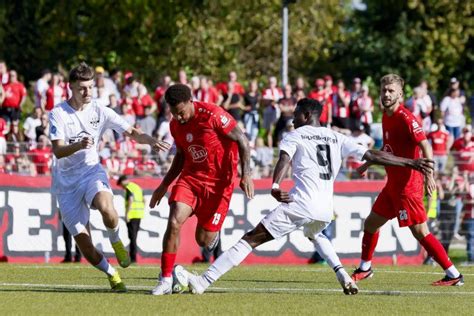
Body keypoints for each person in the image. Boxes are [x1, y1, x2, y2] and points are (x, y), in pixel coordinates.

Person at [183, 98, 434, 295]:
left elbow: (284, 160)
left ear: (306, 116)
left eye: (295, 116)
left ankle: (203, 281)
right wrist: (410, 162)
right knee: (316, 234)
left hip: (300, 203)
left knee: (251, 239)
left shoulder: (295, 135)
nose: (292, 120)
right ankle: (344, 277)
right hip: (325, 208)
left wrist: (275, 185)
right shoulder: (337, 137)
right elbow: (373, 155)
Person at [49, 62, 170, 292]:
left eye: (90, 87)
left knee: (107, 209)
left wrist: (150, 140)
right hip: (66, 184)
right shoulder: (58, 113)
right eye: (82, 88)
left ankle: (116, 240)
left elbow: (131, 132)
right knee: (85, 245)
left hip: (91, 171)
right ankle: (111, 273)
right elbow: (57, 150)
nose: (87, 92)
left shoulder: (100, 110)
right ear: (70, 87)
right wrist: (77, 145)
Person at [351, 74, 463, 286]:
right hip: (392, 185)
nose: (386, 94)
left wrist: (430, 175)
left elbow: (426, 146)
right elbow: (387, 150)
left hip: (408, 186)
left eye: (391, 91)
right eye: (384, 90)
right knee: (371, 223)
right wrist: (368, 163)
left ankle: (453, 274)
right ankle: (365, 268)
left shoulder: (406, 117)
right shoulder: (386, 116)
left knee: (420, 231)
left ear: (400, 95)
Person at [149, 83, 254, 295]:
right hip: (191, 179)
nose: (179, 118)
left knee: (204, 241)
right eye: (174, 113)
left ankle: (211, 238)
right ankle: (166, 278)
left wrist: (247, 174)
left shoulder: (213, 115)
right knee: (174, 220)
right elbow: (180, 156)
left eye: (181, 112)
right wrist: (164, 185)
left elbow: (242, 140)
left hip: (219, 185)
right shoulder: (175, 125)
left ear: (191, 101)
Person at [117, 175, 145, 264]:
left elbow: (130, 200)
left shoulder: (129, 188)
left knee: (132, 237)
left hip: (132, 215)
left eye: (121, 184)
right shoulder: (137, 187)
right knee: (134, 236)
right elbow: (144, 200)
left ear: (124, 181)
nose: (122, 187)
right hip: (139, 214)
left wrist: (127, 214)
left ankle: (133, 258)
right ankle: (133, 256)